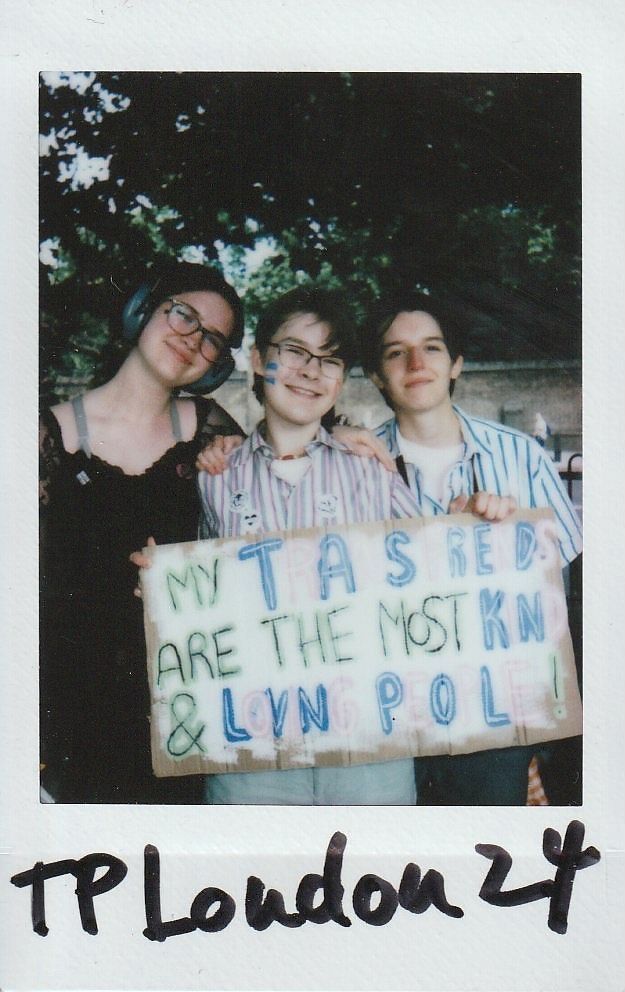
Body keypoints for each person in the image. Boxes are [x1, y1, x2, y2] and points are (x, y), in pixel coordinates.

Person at [189, 287, 515, 805]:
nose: (310, 371)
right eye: (294, 351)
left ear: (342, 378)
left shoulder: (372, 468)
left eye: (329, 359)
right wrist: (163, 594)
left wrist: (473, 528)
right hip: (251, 757)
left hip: (371, 753)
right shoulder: (215, 476)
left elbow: (434, 580)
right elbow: (198, 614)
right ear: (258, 359)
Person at [361, 289, 583, 805]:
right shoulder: (354, 465)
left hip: (497, 718)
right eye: (396, 352)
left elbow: (559, 600)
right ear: (376, 375)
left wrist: (502, 542)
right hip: (391, 717)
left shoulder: (520, 455)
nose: (416, 362)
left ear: (456, 363)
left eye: (432, 347)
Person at [39, 261, 245, 803]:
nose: (192, 339)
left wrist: (352, 443)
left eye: (211, 340)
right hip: (71, 715)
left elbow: (264, 534)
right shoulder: (43, 437)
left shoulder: (213, 431)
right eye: (183, 315)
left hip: (185, 715)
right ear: (143, 310)